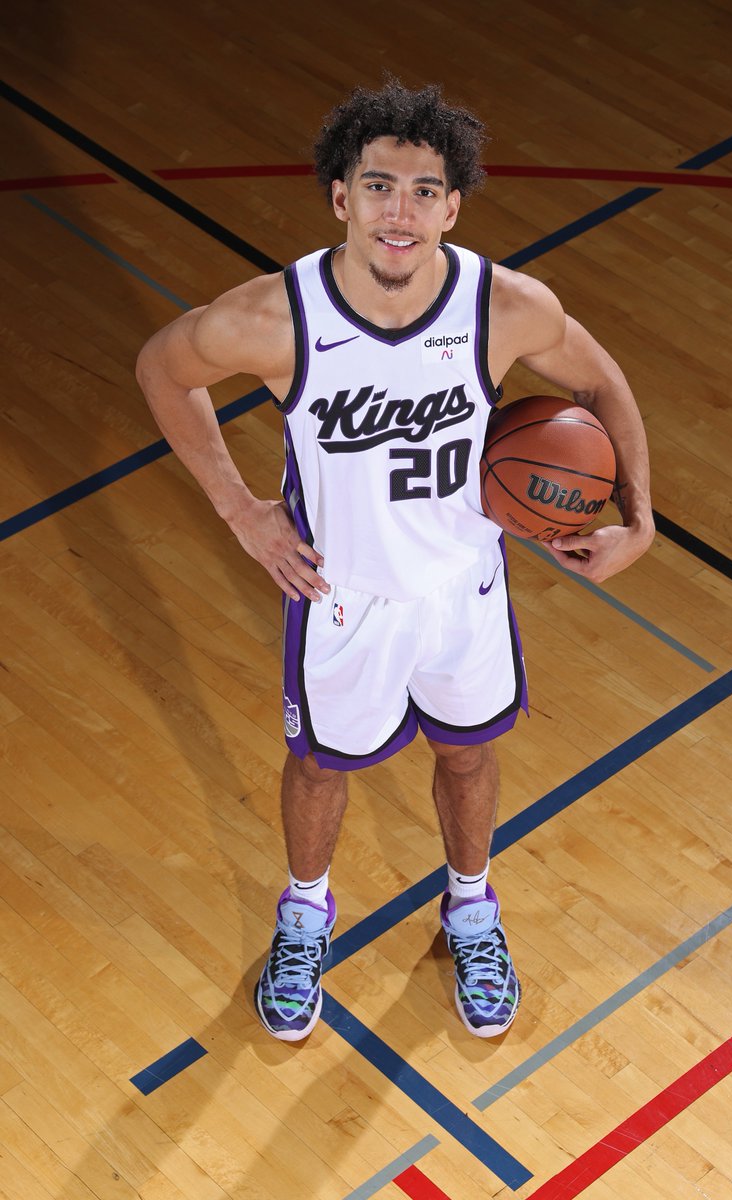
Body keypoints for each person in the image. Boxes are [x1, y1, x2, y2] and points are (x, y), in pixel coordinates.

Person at [136, 79, 654, 1043]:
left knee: (468, 756)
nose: (400, 212)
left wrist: (641, 517)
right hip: (343, 597)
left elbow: (601, 378)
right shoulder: (274, 318)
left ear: (454, 206)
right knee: (320, 768)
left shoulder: (504, 306)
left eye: (424, 191)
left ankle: (470, 906)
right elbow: (162, 367)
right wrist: (241, 510)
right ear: (340, 197)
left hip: (466, 590)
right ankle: (305, 912)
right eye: (378, 186)